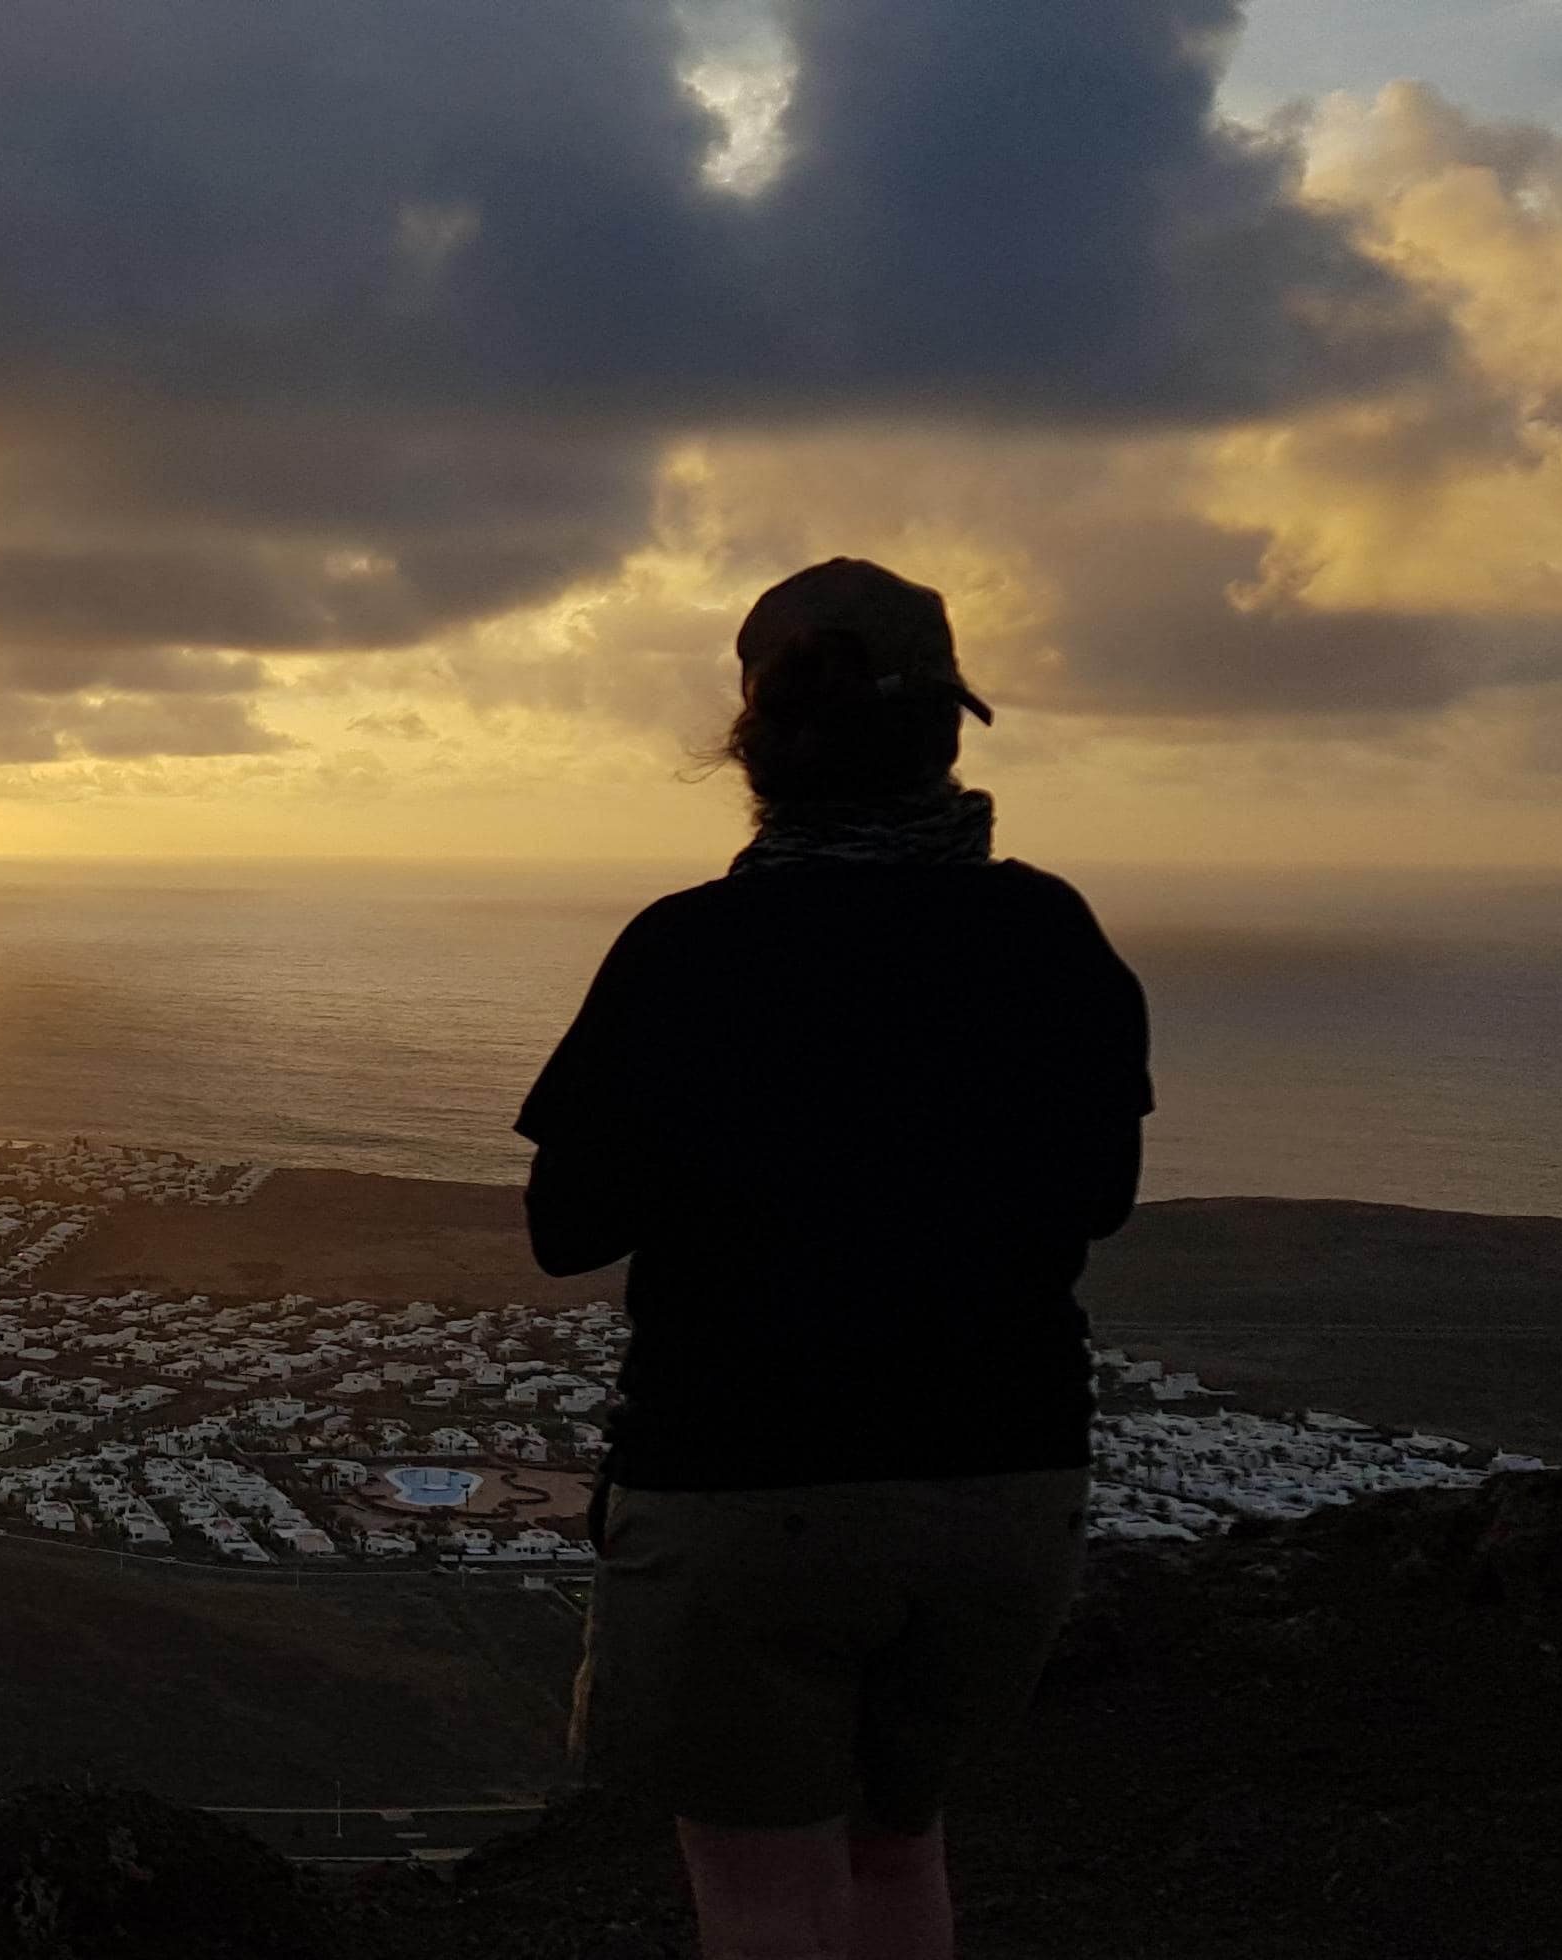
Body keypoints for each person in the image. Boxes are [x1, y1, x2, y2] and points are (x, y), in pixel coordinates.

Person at [517, 558, 1152, 1960]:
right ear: (945, 734)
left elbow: (566, 1227)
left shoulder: (689, 954)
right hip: (1005, 1480)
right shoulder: (1051, 936)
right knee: (900, 1848)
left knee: (764, 1896)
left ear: (755, 743)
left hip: (749, 1484)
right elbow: (1101, 1197)